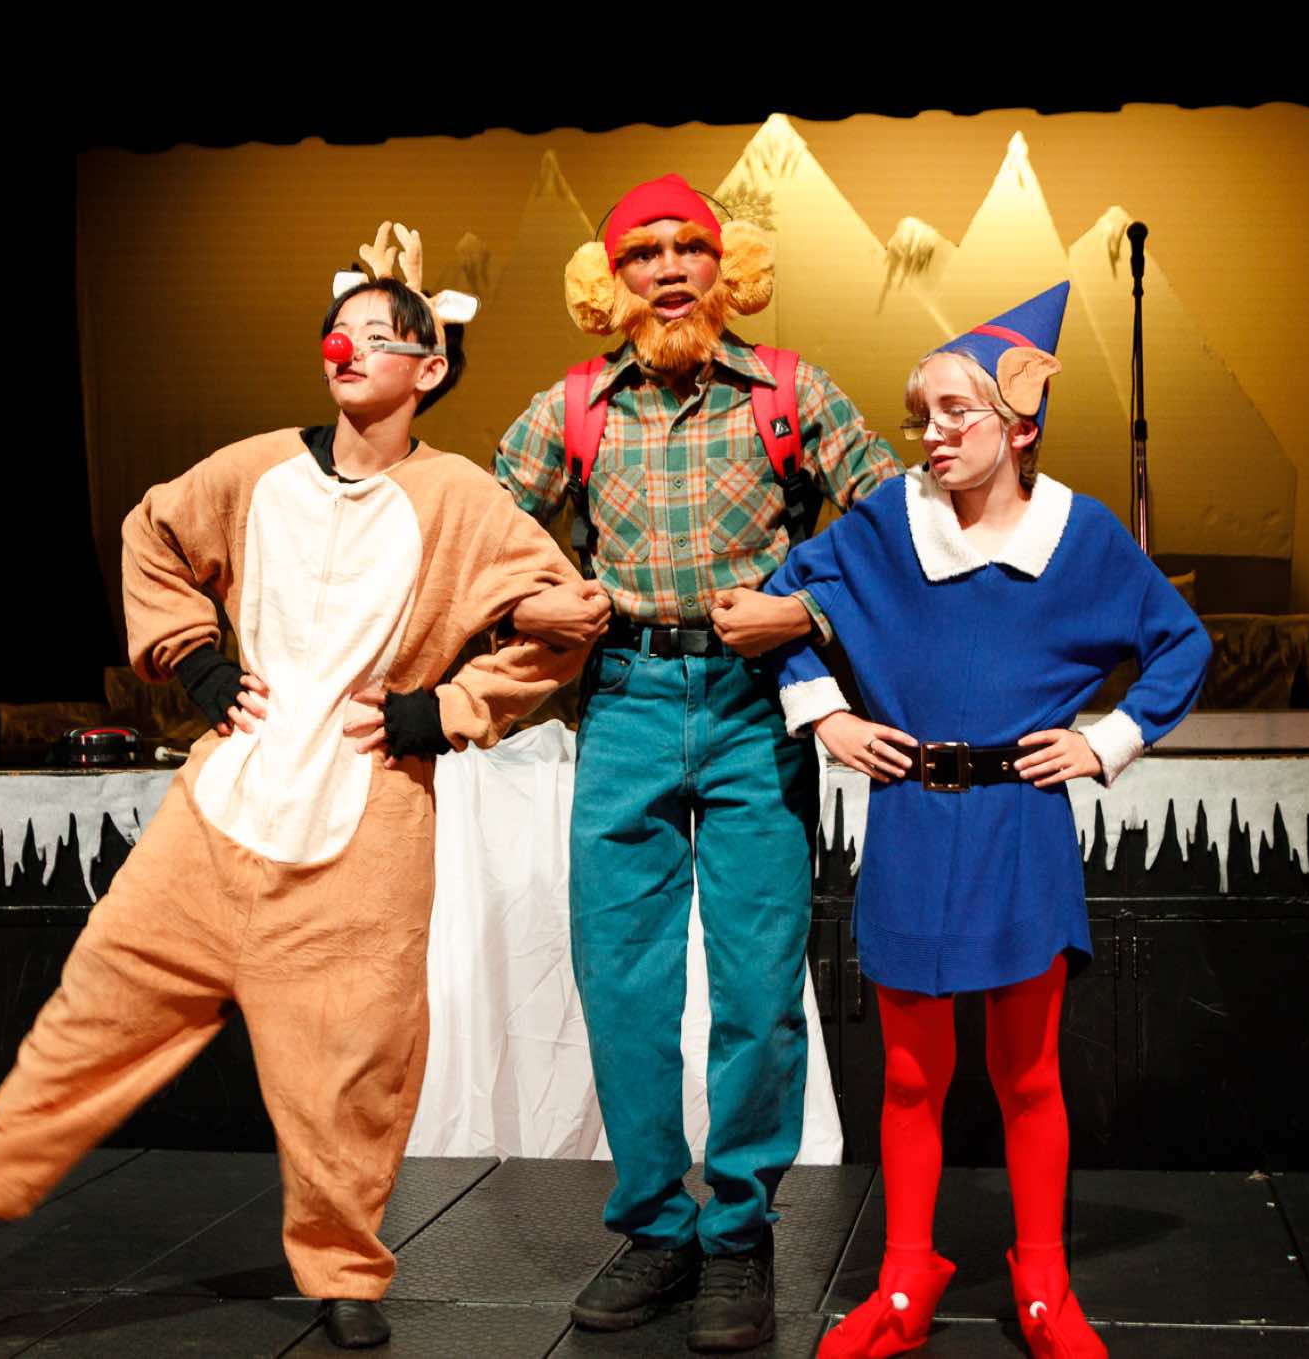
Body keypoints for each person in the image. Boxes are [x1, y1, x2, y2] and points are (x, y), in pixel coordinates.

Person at [0, 222, 590, 1352]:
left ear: (428, 367)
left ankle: (344, 1271)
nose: (346, 348)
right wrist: (193, 659)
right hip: (223, 807)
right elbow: (152, 533)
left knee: (351, 1060)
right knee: (104, 992)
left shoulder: (461, 500)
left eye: (375, 334)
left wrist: (441, 709)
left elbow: (566, 614)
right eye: (338, 331)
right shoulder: (253, 469)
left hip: (363, 824)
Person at [761, 283, 1211, 1359]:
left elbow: (1181, 643)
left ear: (1019, 424)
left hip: (1020, 828)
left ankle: (1043, 1281)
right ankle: (905, 1278)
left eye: (955, 413)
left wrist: (1106, 742)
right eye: (921, 415)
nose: (931, 434)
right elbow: (778, 604)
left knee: (1028, 1072)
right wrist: (825, 714)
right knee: (911, 1073)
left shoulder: (1081, 537)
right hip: (911, 820)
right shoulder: (886, 525)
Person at [495, 174, 904, 1352]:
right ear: (608, 279)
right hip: (624, 701)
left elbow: (897, 521)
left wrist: (806, 612)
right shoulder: (572, 408)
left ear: (729, 269)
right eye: (644, 253)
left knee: (756, 990)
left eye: (691, 248)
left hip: (749, 704)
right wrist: (532, 602)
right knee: (621, 984)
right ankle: (653, 1229)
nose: (669, 269)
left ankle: (736, 1236)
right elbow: (474, 535)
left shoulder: (788, 393)